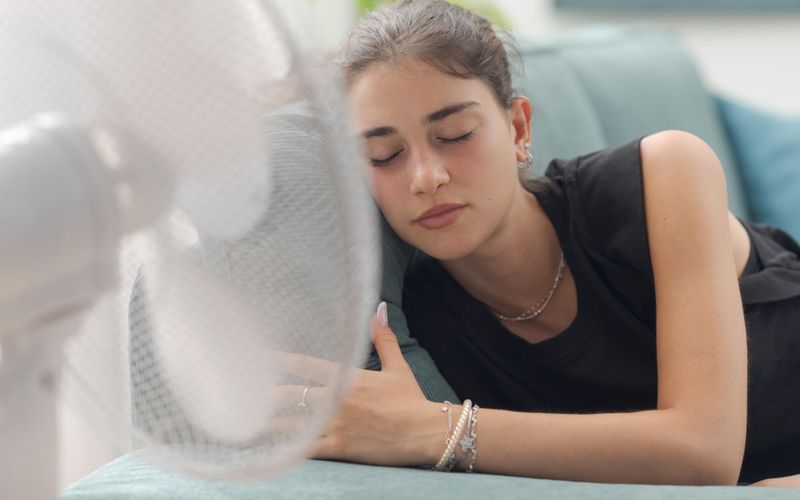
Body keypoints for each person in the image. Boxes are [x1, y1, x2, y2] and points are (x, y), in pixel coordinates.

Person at [312, 0, 800, 487]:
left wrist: (436, 429)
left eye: (455, 135)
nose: (425, 178)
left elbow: (705, 452)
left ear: (518, 128)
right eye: (385, 155)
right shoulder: (417, 320)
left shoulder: (661, 176)